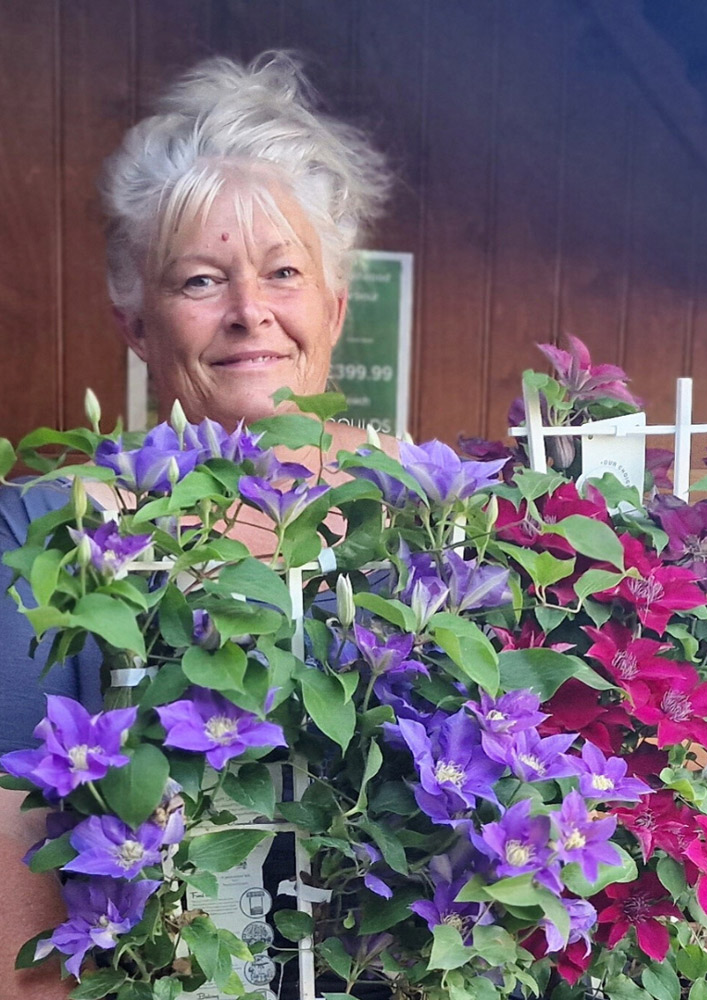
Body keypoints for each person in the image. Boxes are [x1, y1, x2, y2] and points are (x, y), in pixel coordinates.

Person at [0, 51, 393, 997]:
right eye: (200, 281)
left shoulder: (422, 518)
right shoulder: (51, 530)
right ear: (135, 324)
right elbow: (12, 871)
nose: (251, 312)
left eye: (284, 272)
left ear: (334, 309)